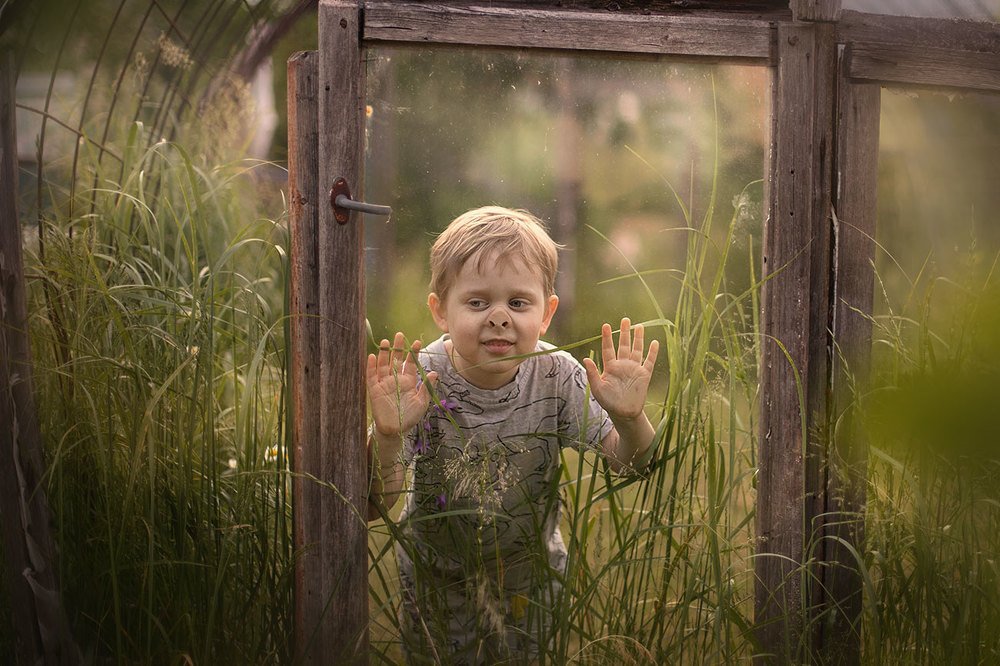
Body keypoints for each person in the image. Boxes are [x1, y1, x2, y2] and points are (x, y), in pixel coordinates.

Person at [365, 206, 660, 664]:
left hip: (532, 579)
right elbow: (375, 502)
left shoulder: (557, 375)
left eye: (518, 303)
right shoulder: (420, 381)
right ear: (441, 310)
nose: (499, 317)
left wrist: (629, 419)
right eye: (478, 302)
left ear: (546, 314)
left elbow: (631, 465)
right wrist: (387, 435)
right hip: (436, 578)